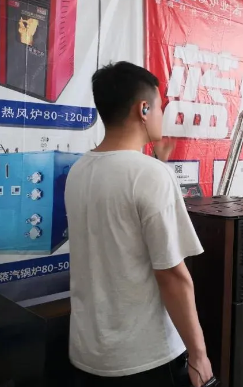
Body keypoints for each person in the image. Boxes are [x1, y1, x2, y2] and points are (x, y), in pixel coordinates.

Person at [65, 61, 214, 387]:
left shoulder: (79, 170)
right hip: (145, 359)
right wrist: (199, 354)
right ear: (143, 109)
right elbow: (172, 276)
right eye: (159, 107)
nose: (162, 115)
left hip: (87, 353)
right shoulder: (150, 175)